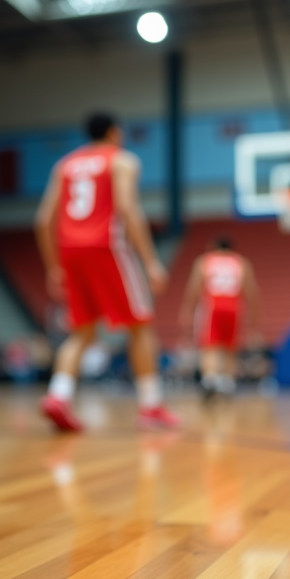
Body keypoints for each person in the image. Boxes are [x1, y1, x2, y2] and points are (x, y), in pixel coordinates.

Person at [35, 111, 178, 431]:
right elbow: (127, 208)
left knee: (82, 332)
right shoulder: (122, 161)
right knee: (140, 326)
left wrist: (53, 268)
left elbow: (43, 220)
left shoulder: (64, 165)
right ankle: (151, 406)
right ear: (114, 132)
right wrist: (151, 261)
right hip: (107, 247)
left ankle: (58, 396)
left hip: (70, 252)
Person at [178, 237, 260, 400]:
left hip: (212, 305)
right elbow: (251, 291)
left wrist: (187, 310)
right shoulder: (241, 262)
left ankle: (210, 381)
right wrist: (254, 318)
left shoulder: (204, 261)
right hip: (234, 307)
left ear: (213, 247)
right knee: (230, 347)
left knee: (210, 346)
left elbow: (194, 287)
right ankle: (228, 384)